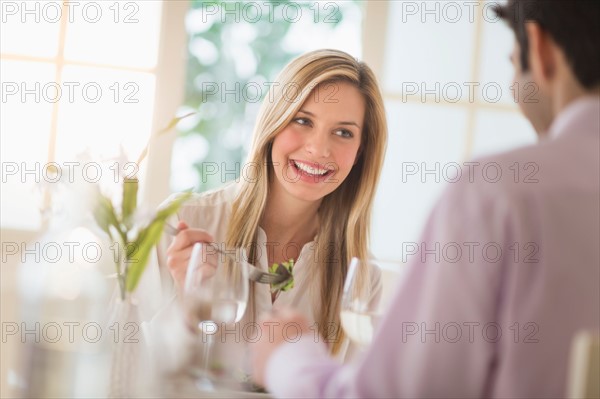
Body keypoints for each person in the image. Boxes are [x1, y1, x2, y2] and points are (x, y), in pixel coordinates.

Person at [251, 1, 600, 397]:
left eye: (511, 60)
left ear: (539, 48)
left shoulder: (499, 194)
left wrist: (287, 357)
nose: (318, 148)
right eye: (302, 120)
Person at [147, 49, 388, 368]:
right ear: (273, 124)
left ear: (360, 152)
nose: (318, 148)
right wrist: (187, 300)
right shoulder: (183, 224)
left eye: (343, 132)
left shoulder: (361, 276)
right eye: (302, 120)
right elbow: (128, 370)